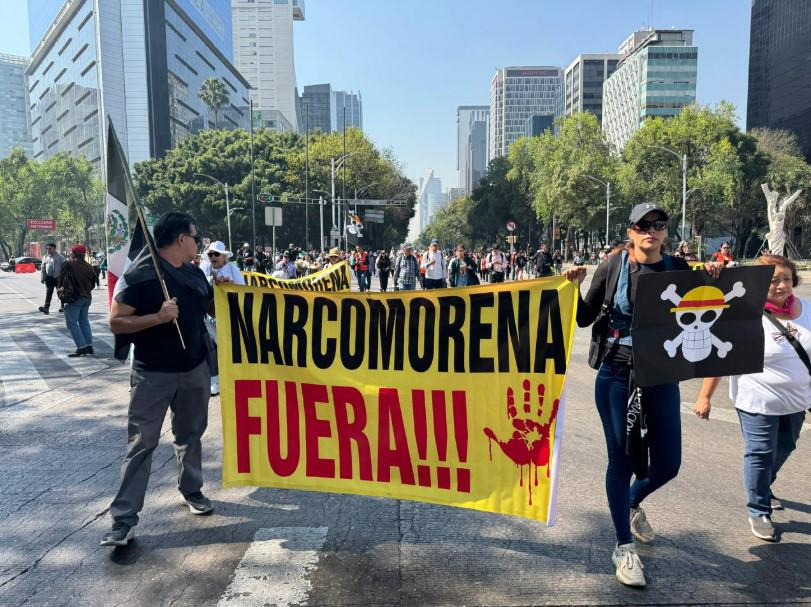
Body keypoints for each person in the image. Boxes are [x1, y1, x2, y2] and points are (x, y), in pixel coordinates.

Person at [562, 202, 721, 588]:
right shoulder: (613, 266)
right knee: (621, 458)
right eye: (642, 225)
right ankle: (623, 545)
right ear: (631, 231)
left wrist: (715, 278)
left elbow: (714, 308)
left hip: (661, 373)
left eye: (659, 224)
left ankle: (632, 502)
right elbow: (584, 317)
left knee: (667, 465)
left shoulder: (680, 270)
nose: (651, 230)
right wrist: (574, 284)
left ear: (667, 232)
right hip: (617, 372)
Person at [101, 211, 214, 547]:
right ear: (181, 238)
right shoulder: (140, 276)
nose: (199, 242)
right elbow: (116, 322)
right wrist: (158, 317)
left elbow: (208, 308)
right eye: (196, 236)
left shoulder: (195, 274)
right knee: (141, 443)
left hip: (194, 369)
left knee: (191, 434)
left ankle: (191, 490)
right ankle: (123, 519)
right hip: (152, 374)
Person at [693, 254, 807, 542]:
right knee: (760, 451)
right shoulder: (744, 314)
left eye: (786, 279)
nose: (781, 286)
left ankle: (764, 485)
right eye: (773, 280)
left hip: (796, 401)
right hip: (757, 399)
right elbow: (723, 359)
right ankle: (759, 509)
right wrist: (704, 397)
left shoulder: (806, 310)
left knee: (785, 447)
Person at [202, 241, 244, 396]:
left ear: (224, 256)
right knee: (212, 347)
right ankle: (215, 380)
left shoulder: (232, 268)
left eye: (216, 254)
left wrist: (228, 283)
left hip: (229, 316)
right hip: (209, 316)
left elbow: (242, 288)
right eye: (211, 254)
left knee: (229, 348)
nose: (213, 257)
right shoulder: (205, 269)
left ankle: (234, 378)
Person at [59, 245, 96, 356]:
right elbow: (93, 284)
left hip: (74, 298)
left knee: (72, 323)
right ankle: (89, 346)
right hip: (87, 298)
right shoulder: (89, 267)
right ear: (84, 254)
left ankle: (81, 347)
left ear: (73, 254)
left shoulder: (69, 264)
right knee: (84, 321)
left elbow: (61, 279)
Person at [39, 242, 65, 314]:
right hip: (49, 278)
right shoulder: (45, 257)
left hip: (58, 278)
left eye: (49, 248)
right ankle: (46, 308)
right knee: (48, 293)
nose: (48, 250)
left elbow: (65, 267)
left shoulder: (60, 257)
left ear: (54, 248)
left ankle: (63, 306)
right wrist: (42, 278)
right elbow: (43, 268)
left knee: (60, 292)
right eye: (47, 248)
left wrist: (64, 277)